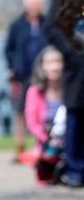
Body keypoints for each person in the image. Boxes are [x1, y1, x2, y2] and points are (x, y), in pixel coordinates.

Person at [44, 0, 84, 188]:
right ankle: (76, 170)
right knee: (76, 119)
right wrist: (72, 52)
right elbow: (54, 27)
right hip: (78, 66)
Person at [4, 0, 49, 163]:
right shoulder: (17, 25)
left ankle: (44, 148)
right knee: (19, 112)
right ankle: (20, 150)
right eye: (32, 4)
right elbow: (8, 49)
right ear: (26, 5)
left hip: (43, 76)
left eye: (37, 4)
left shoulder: (47, 24)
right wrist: (13, 67)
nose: (34, 7)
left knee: (44, 111)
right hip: (21, 77)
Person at [24, 46, 65, 184]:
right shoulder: (34, 91)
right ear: (42, 66)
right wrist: (48, 138)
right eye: (49, 62)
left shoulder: (72, 90)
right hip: (46, 147)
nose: (54, 66)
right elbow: (32, 123)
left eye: (58, 61)